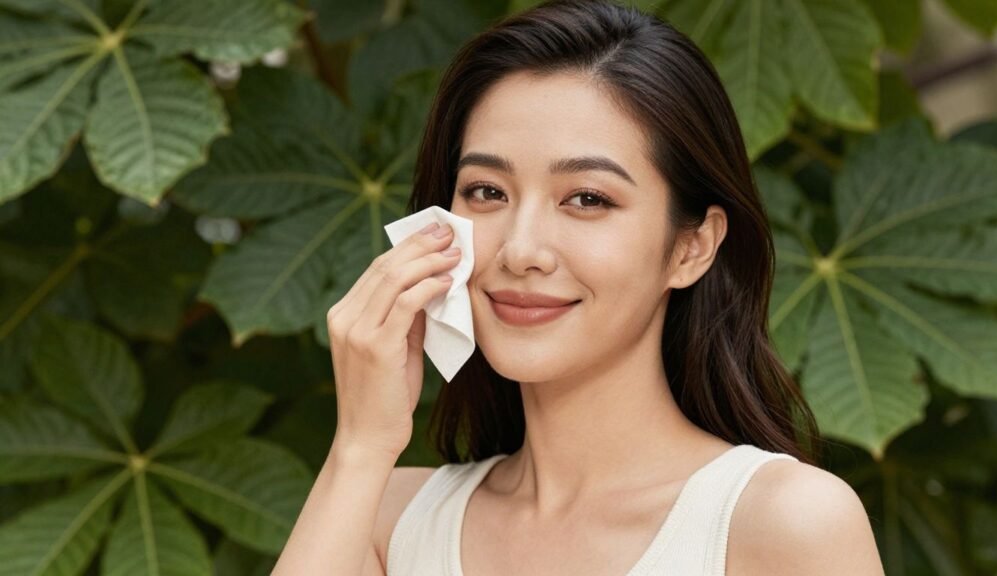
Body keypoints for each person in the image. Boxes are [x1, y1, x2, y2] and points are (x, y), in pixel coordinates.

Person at [273, 0, 885, 574]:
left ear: (691, 247)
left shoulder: (783, 522)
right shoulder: (389, 517)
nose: (522, 251)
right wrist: (360, 446)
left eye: (587, 199)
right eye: (487, 191)